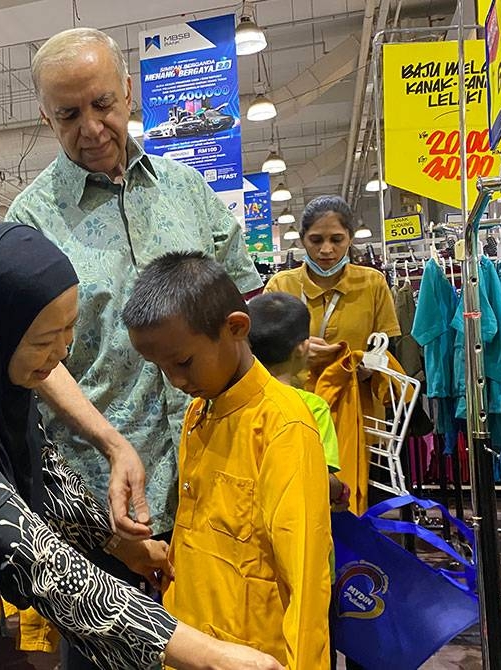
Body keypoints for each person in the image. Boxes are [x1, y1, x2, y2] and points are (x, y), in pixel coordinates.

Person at [0, 223, 281, 670]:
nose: (64, 352)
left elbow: (46, 476)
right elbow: (39, 560)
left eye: (69, 329)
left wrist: (121, 546)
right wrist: (207, 656)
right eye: (43, 341)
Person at [6, 25, 262, 557]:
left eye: (102, 104)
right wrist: (113, 443)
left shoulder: (186, 190)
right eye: (69, 116)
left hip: (218, 475)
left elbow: (242, 309)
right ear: (46, 119)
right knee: (116, 636)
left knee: (226, 631)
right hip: (106, 499)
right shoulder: (29, 222)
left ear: (127, 91)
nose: (93, 128)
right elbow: (37, 362)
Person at [124, 251, 332, 670]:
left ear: (236, 328)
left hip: (255, 655)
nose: (176, 380)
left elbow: (308, 581)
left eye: (182, 362)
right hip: (192, 645)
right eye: (160, 368)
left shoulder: (284, 426)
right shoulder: (198, 412)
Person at [263, 195, 400, 375]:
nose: (326, 250)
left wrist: (370, 370)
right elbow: (262, 353)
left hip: (356, 397)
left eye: (336, 240)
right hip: (298, 400)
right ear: (302, 239)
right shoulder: (280, 286)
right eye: (316, 240)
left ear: (350, 238)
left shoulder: (373, 283)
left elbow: (388, 348)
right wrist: (296, 355)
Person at [247, 292, 350, 510]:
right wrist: (341, 493)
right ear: (303, 349)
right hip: (296, 520)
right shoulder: (312, 407)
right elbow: (320, 476)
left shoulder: (233, 401)